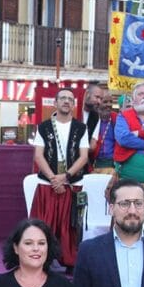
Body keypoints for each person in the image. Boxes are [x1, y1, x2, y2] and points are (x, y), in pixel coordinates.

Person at [31, 88, 89, 267]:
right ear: (55, 103)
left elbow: (84, 156)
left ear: (73, 105)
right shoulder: (44, 126)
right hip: (46, 184)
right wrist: (53, 178)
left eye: (70, 99)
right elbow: (38, 156)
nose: (66, 101)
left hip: (72, 183)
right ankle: (41, 260)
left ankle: (70, 261)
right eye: (62, 98)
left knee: (70, 227)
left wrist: (65, 176)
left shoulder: (81, 128)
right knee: (43, 225)